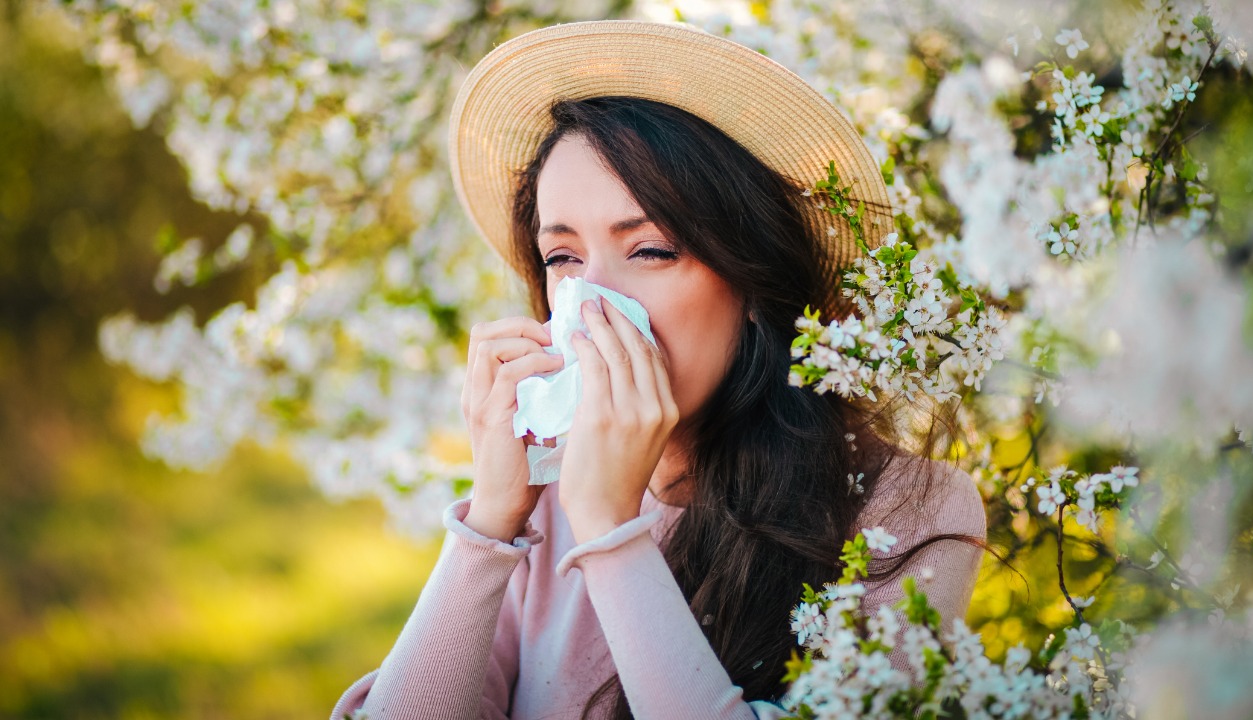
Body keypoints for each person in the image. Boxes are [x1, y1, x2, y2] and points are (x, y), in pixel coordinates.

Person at [332, 19, 985, 720]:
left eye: (650, 250)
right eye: (563, 258)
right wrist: (489, 524)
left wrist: (609, 529)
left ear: (754, 282)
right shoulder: (544, 494)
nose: (592, 303)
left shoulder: (906, 512)